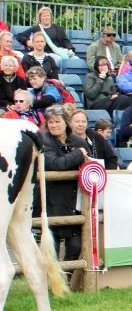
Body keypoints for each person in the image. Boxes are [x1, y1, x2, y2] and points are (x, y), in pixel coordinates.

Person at [36, 105, 88, 260]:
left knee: (75, 246)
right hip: (52, 201)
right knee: (53, 248)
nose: (54, 125)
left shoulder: (78, 140)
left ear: (66, 122)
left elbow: (89, 164)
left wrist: (82, 157)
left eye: (57, 122)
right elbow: (56, 164)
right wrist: (78, 154)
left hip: (75, 201)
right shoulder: (44, 141)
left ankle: (66, 282)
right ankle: (51, 283)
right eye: (50, 122)